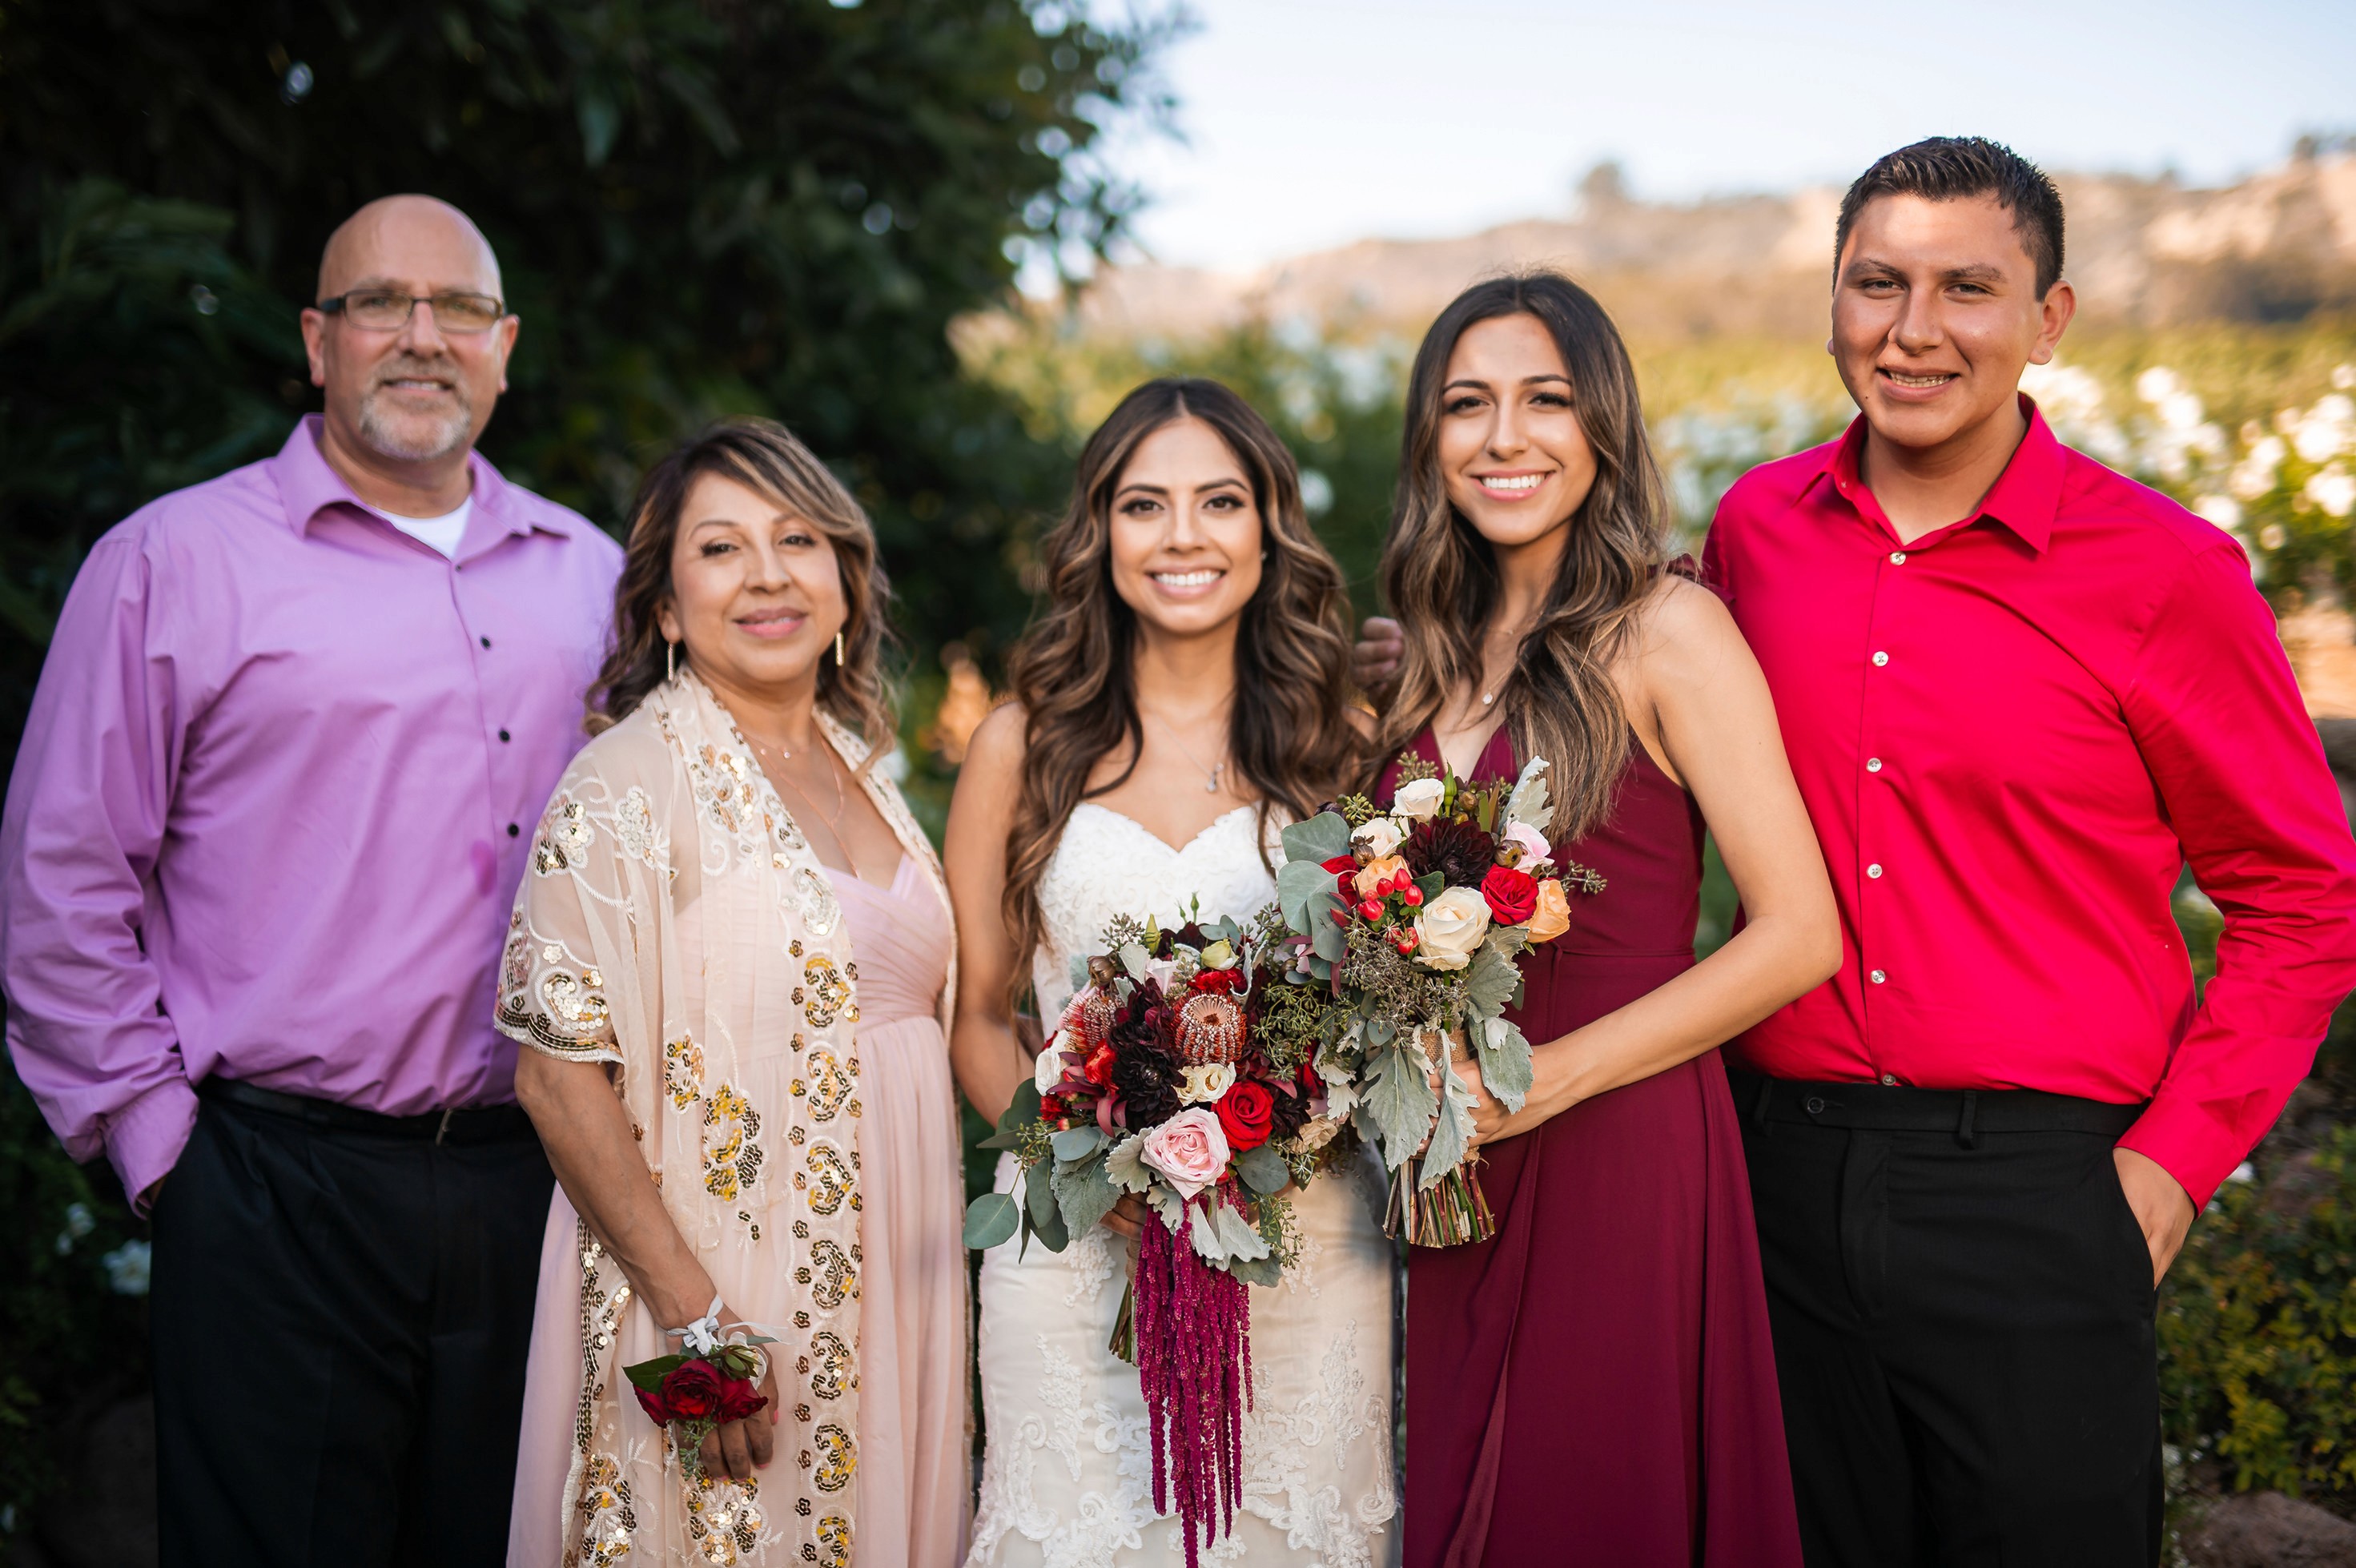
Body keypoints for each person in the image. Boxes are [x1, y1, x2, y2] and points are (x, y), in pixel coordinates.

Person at [1699, 139, 2356, 1564]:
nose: (1912, 330)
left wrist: (2166, 1172)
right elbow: (1631, 736)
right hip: (1775, 1185)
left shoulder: (2164, 574)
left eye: (1966, 288)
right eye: (1877, 283)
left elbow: (2303, 899)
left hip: (2039, 1200)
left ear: (2046, 319)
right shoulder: (1753, 532)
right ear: (1831, 302)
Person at [0, 195, 621, 1564]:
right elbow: (63, 876)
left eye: (460, 307)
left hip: (539, 1187)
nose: (422, 336)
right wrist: (164, 1150)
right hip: (272, 1188)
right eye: (379, 303)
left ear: (505, 346)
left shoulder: (597, 578)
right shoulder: (172, 561)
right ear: (316, 340)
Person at [1353, 272, 1835, 1567]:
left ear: (1603, 425)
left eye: (1545, 400)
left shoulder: (1670, 629)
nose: (1503, 436)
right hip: (1452, 1155)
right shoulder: (1430, 651)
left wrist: (1550, 1080)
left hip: (1615, 1134)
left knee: (1582, 1505)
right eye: (1467, 404)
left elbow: (1799, 931)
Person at [499, 418, 967, 1567]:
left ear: (843, 580)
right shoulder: (625, 781)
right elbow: (556, 1079)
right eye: (720, 548)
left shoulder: (866, 768)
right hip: (729, 1299)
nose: (767, 574)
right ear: (666, 607)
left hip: (898, 1289)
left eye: (797, 539)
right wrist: (695, 1319)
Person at [947, 378, 1399, 1566]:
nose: (1183, 535)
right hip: (1071, 1254)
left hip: (1302, 1247)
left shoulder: (1346, 744)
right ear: (1099, 532)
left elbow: (1382, 997)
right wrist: (1084, 1166)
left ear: (1269, 529)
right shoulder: (1022, 744)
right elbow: (979, 1012)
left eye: (1220, 501)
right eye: (1144, 504)